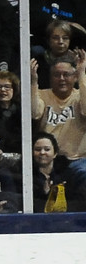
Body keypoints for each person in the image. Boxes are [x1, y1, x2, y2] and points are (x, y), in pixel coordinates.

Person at [30, 53, 86, 184]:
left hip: (77, 160)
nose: (61, 79)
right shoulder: (42, 94)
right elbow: (34, 113)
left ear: (74, 77)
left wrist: (82, 74)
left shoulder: (80, 96)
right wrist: (33, 82)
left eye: (66, 75)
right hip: (48, 161)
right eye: (57, 75)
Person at [30, 130, 85, 212]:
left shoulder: (69, 175)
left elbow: (79, 203)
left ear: (55, 153)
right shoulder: (26, 176)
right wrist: (44, 194)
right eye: (38, 149)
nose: (42, 152)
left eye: (47, 149)